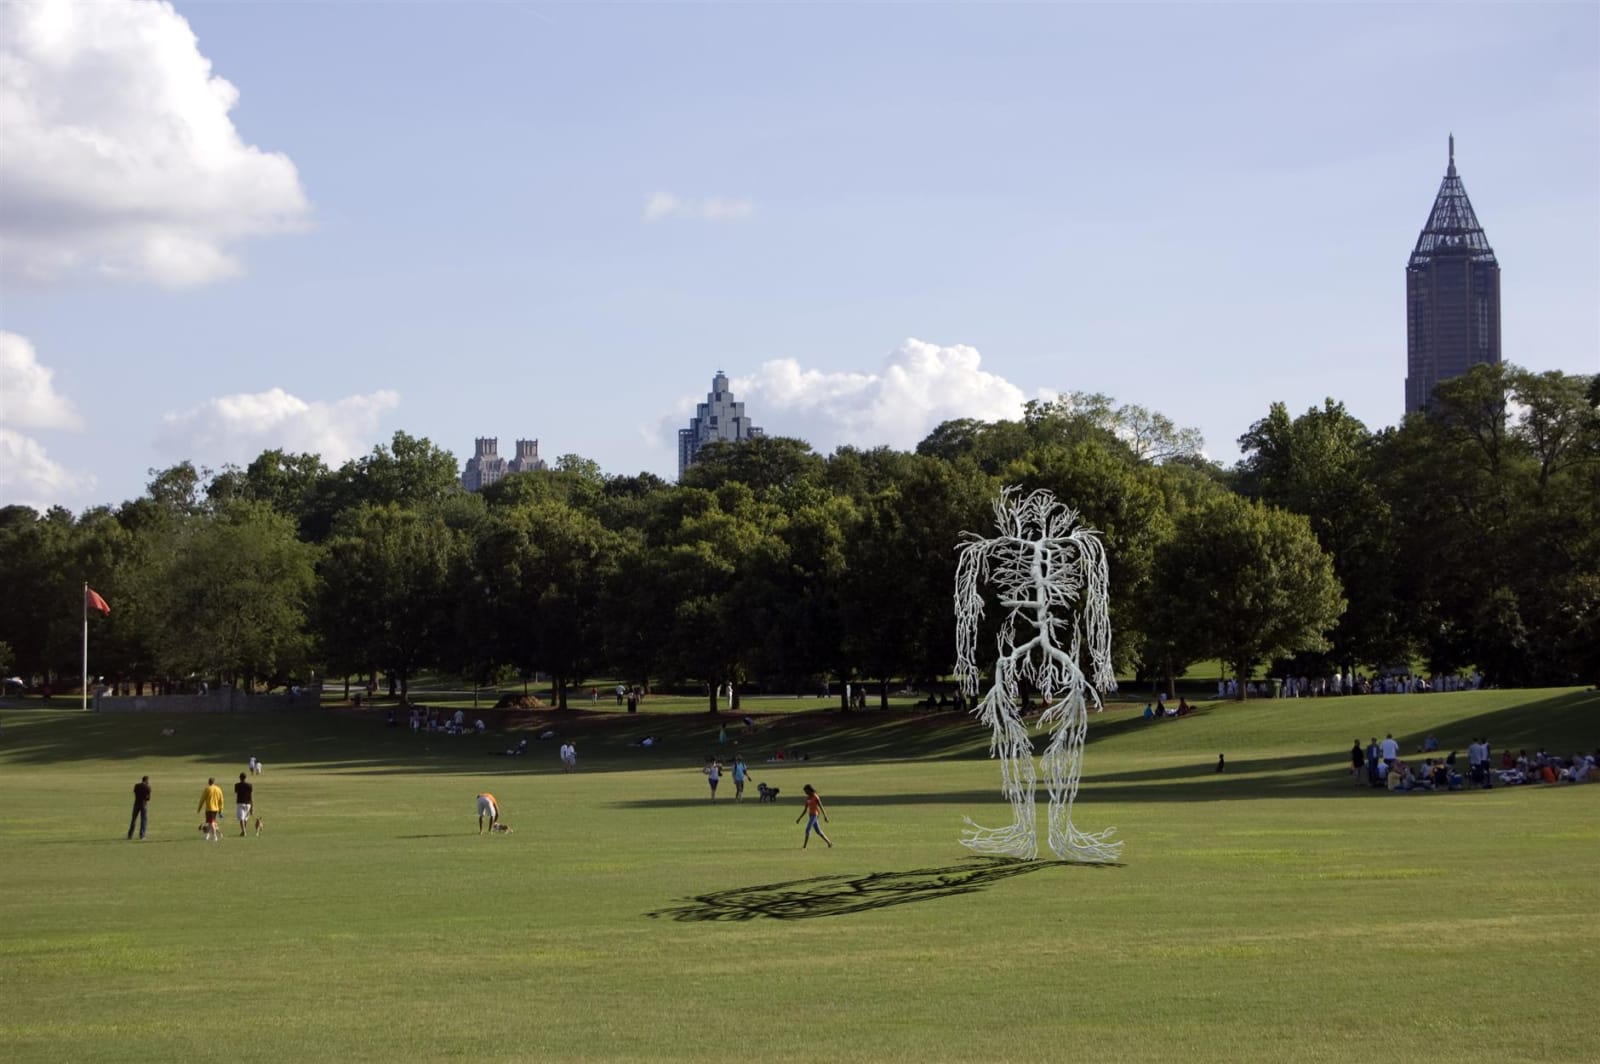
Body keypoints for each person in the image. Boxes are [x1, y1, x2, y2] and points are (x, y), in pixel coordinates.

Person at [796, 784, 832, 848]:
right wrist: (799, 818)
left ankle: (804, 846)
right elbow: (805, 810)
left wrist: (825, 816)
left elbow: (821, 806)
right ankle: (829, 843)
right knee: (818, 831)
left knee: (807, 829)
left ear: (809, 790)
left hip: (815, 815)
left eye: (806, 791)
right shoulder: (807, 798)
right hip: (810, 815)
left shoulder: (815, 797)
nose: (805, 793)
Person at [197, 777, 224, 841]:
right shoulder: (218, 789)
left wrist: (199, 808)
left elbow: (202, 799)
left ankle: (214, 836)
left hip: (209, 808)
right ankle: (207, 835)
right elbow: (221, 800)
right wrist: (221, 810)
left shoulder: (207, 789)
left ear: (209, 782)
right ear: (214, 782)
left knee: (211, 822)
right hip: (216, 809)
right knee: (209, 822)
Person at [128, 775, 152, 839]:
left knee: (133, 819)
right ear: (146, 780)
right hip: (143, 804)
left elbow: (135, 792)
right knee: (143, 820)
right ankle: (142, 835)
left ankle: (130, 835)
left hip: (136, 804)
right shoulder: (147, 787)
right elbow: (148, 798)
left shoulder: (136, 786)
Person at [233, 772, 254, 837]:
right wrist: (252, 807)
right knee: (245, 818)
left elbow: (236, 792)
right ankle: (243, 831)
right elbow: (251, 796)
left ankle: (244, 831)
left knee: (241, 818)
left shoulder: (237, 785)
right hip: (248, 804)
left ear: (240, 778)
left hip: (240, 803)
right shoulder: (250, 785)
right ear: (245, 778)